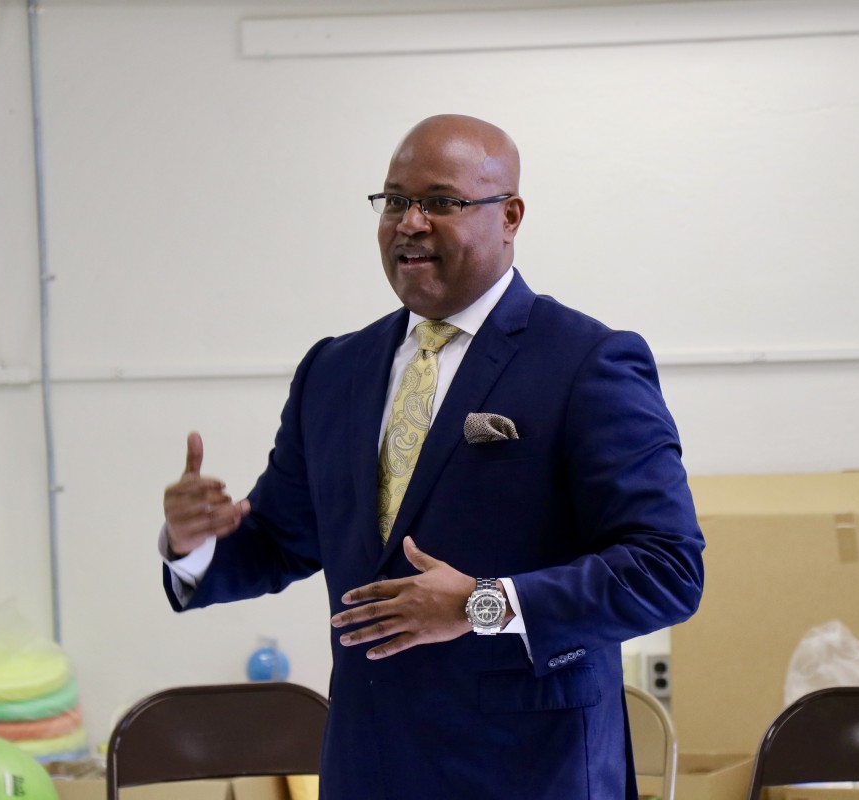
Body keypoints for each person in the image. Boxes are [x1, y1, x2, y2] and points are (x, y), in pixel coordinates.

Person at [159, 114, 704, 799]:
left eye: (441, 202)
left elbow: (667, 570)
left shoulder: (587, 362)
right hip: (371, 767)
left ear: (510, 216)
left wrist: (481, 605)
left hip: (532, 770)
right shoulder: (334, 370)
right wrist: (195, 545)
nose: (410, 222)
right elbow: (280, 542)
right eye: (393, 201)